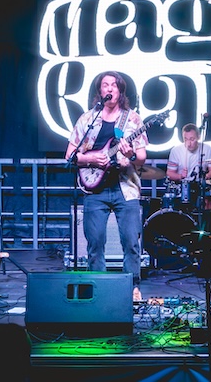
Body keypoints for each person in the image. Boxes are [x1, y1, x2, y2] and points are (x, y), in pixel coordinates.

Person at [65, 71, 148, 299]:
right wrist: (91, 158)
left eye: (114, 85)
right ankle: (98, 289)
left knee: (131, 242)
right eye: (105, 85)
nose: (109, 88)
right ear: (100, 91)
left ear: (120, 91)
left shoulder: (132, 120)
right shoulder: (87, 119)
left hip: (125, 188)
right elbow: (70, 154)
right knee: (95, 243)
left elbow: (141, 157)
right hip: (94, 189)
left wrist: (130, 155)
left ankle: (132, 288)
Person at [166, 123, 211, 230]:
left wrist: (205, 176)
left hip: (200, 187)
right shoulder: (176, 151)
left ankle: (206, 231)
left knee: (210, 202)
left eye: (192, 139)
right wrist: (180, 176)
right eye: (185, 139)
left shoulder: (206, 149)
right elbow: (169, 173)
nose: (188, 143)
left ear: (198, 137)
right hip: (182, 188)